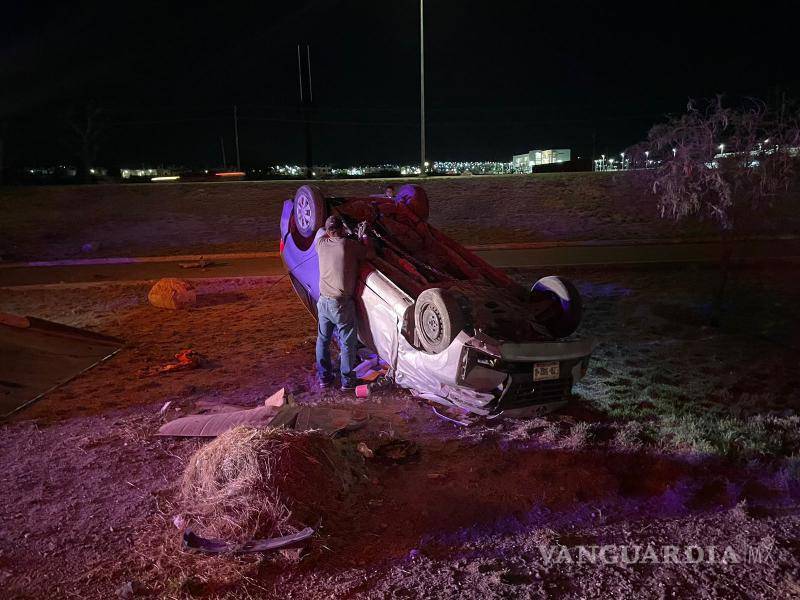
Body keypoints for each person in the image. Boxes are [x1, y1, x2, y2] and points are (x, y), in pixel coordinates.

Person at [315, 214, 371, 390]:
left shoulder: (321, 245)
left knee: (322, 340)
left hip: (323, 302)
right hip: (341, 305)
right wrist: (364, 236)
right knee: (347, 343)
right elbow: (371, 254)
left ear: (329, 232)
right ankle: (347, 381)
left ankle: (324, 378)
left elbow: (320, 231)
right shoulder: (349, 245)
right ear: (342, 229)